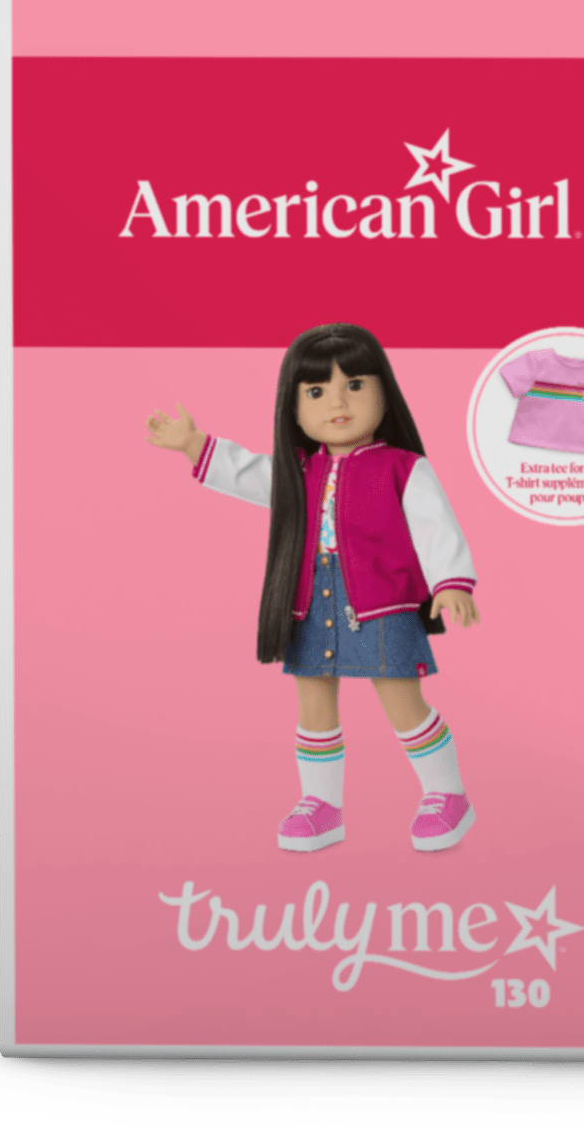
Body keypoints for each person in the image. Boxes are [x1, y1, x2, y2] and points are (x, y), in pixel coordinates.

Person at [145, 323, 481, 851]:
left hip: (383, 602)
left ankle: (446, 793)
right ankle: (321, 804)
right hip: (310, 600)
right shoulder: (298, 472)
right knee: (314, 704)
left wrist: (451, 582)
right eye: (317, 391)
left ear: (385, 393)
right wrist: (193, 444)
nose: (337, 403)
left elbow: (436, 526)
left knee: (402, 700)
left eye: (355, 385)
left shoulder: (403, 468)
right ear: (294, 407)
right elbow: (250, 474)